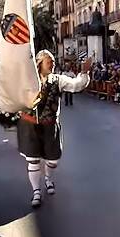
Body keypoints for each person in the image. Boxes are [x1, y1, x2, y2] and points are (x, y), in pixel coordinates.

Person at [17, 50, 91, 207]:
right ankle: (36, 191)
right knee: (33, 160)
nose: (53, 63)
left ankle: (48, 179)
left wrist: (84, 72)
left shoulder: (59, 79)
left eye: (52, 61)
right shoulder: (27, 80)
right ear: (39, 63)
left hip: (50, 126)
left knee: (53, 160)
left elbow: (76, 85)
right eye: (49, 61)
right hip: (30, 125)